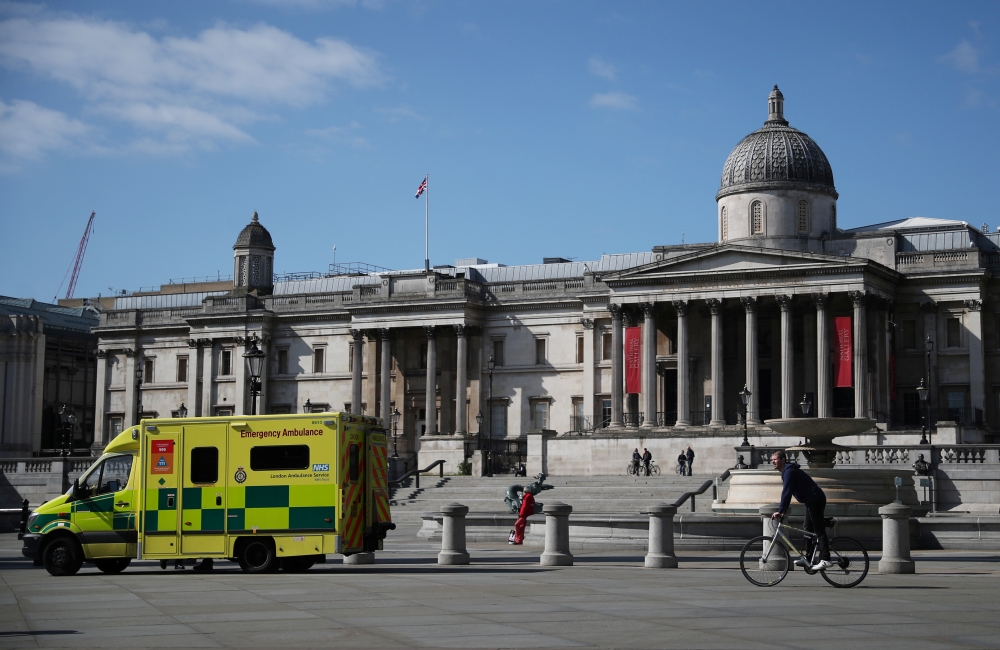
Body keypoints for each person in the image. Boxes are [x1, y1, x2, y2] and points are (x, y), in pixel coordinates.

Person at [770, 450, 833, 570]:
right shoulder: (787, 471)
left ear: (783, 460)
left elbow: (786, 492)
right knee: (807, 527)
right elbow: (787, 492)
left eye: (775, 459)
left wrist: (781, 510)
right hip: (812, 500)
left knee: (818, 529)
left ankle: (826, 559)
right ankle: (808, 558)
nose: (773, 462)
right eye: (772, 459)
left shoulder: (789, 472)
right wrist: (782, 509)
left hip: (816, 499)